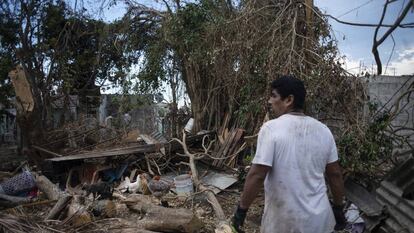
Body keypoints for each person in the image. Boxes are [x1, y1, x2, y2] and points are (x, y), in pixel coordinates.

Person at [231, 75, 346, 233]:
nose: (270, 101)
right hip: (319, 222)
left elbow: (257, 174)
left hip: (284, 223)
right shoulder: (324, 130)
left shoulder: (271, 129)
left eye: (274, 96)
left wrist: (241, 211)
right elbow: (335, 174)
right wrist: (339, 208)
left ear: (288, 100)